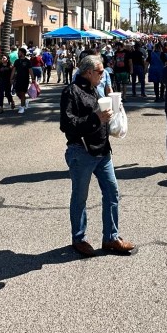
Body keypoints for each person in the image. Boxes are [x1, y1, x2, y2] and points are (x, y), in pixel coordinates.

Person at [60, 54, 135, 258]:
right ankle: (79, 238)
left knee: (112, 193)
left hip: (103, 151)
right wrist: (96, 118)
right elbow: (66, 125)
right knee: (80, 197)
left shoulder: (95, 89)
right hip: (81, 151)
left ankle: (111, 237)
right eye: (101, 71)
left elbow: (100, 118)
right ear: (89, 72)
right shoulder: (71, 91)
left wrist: (111, 116)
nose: (104, 75)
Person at [13, 47, 33, 114]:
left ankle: (22, 107)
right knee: (18, 93)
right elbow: (14, 70)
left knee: (22, 92)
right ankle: (25, 100)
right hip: (17, 79)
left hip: (25, 79)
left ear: (22, 53)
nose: (18, 53)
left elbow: (30, 70)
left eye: (19, 52)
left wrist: (33, 79)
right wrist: (11, 78)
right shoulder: (17, 61)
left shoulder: (27, 61)